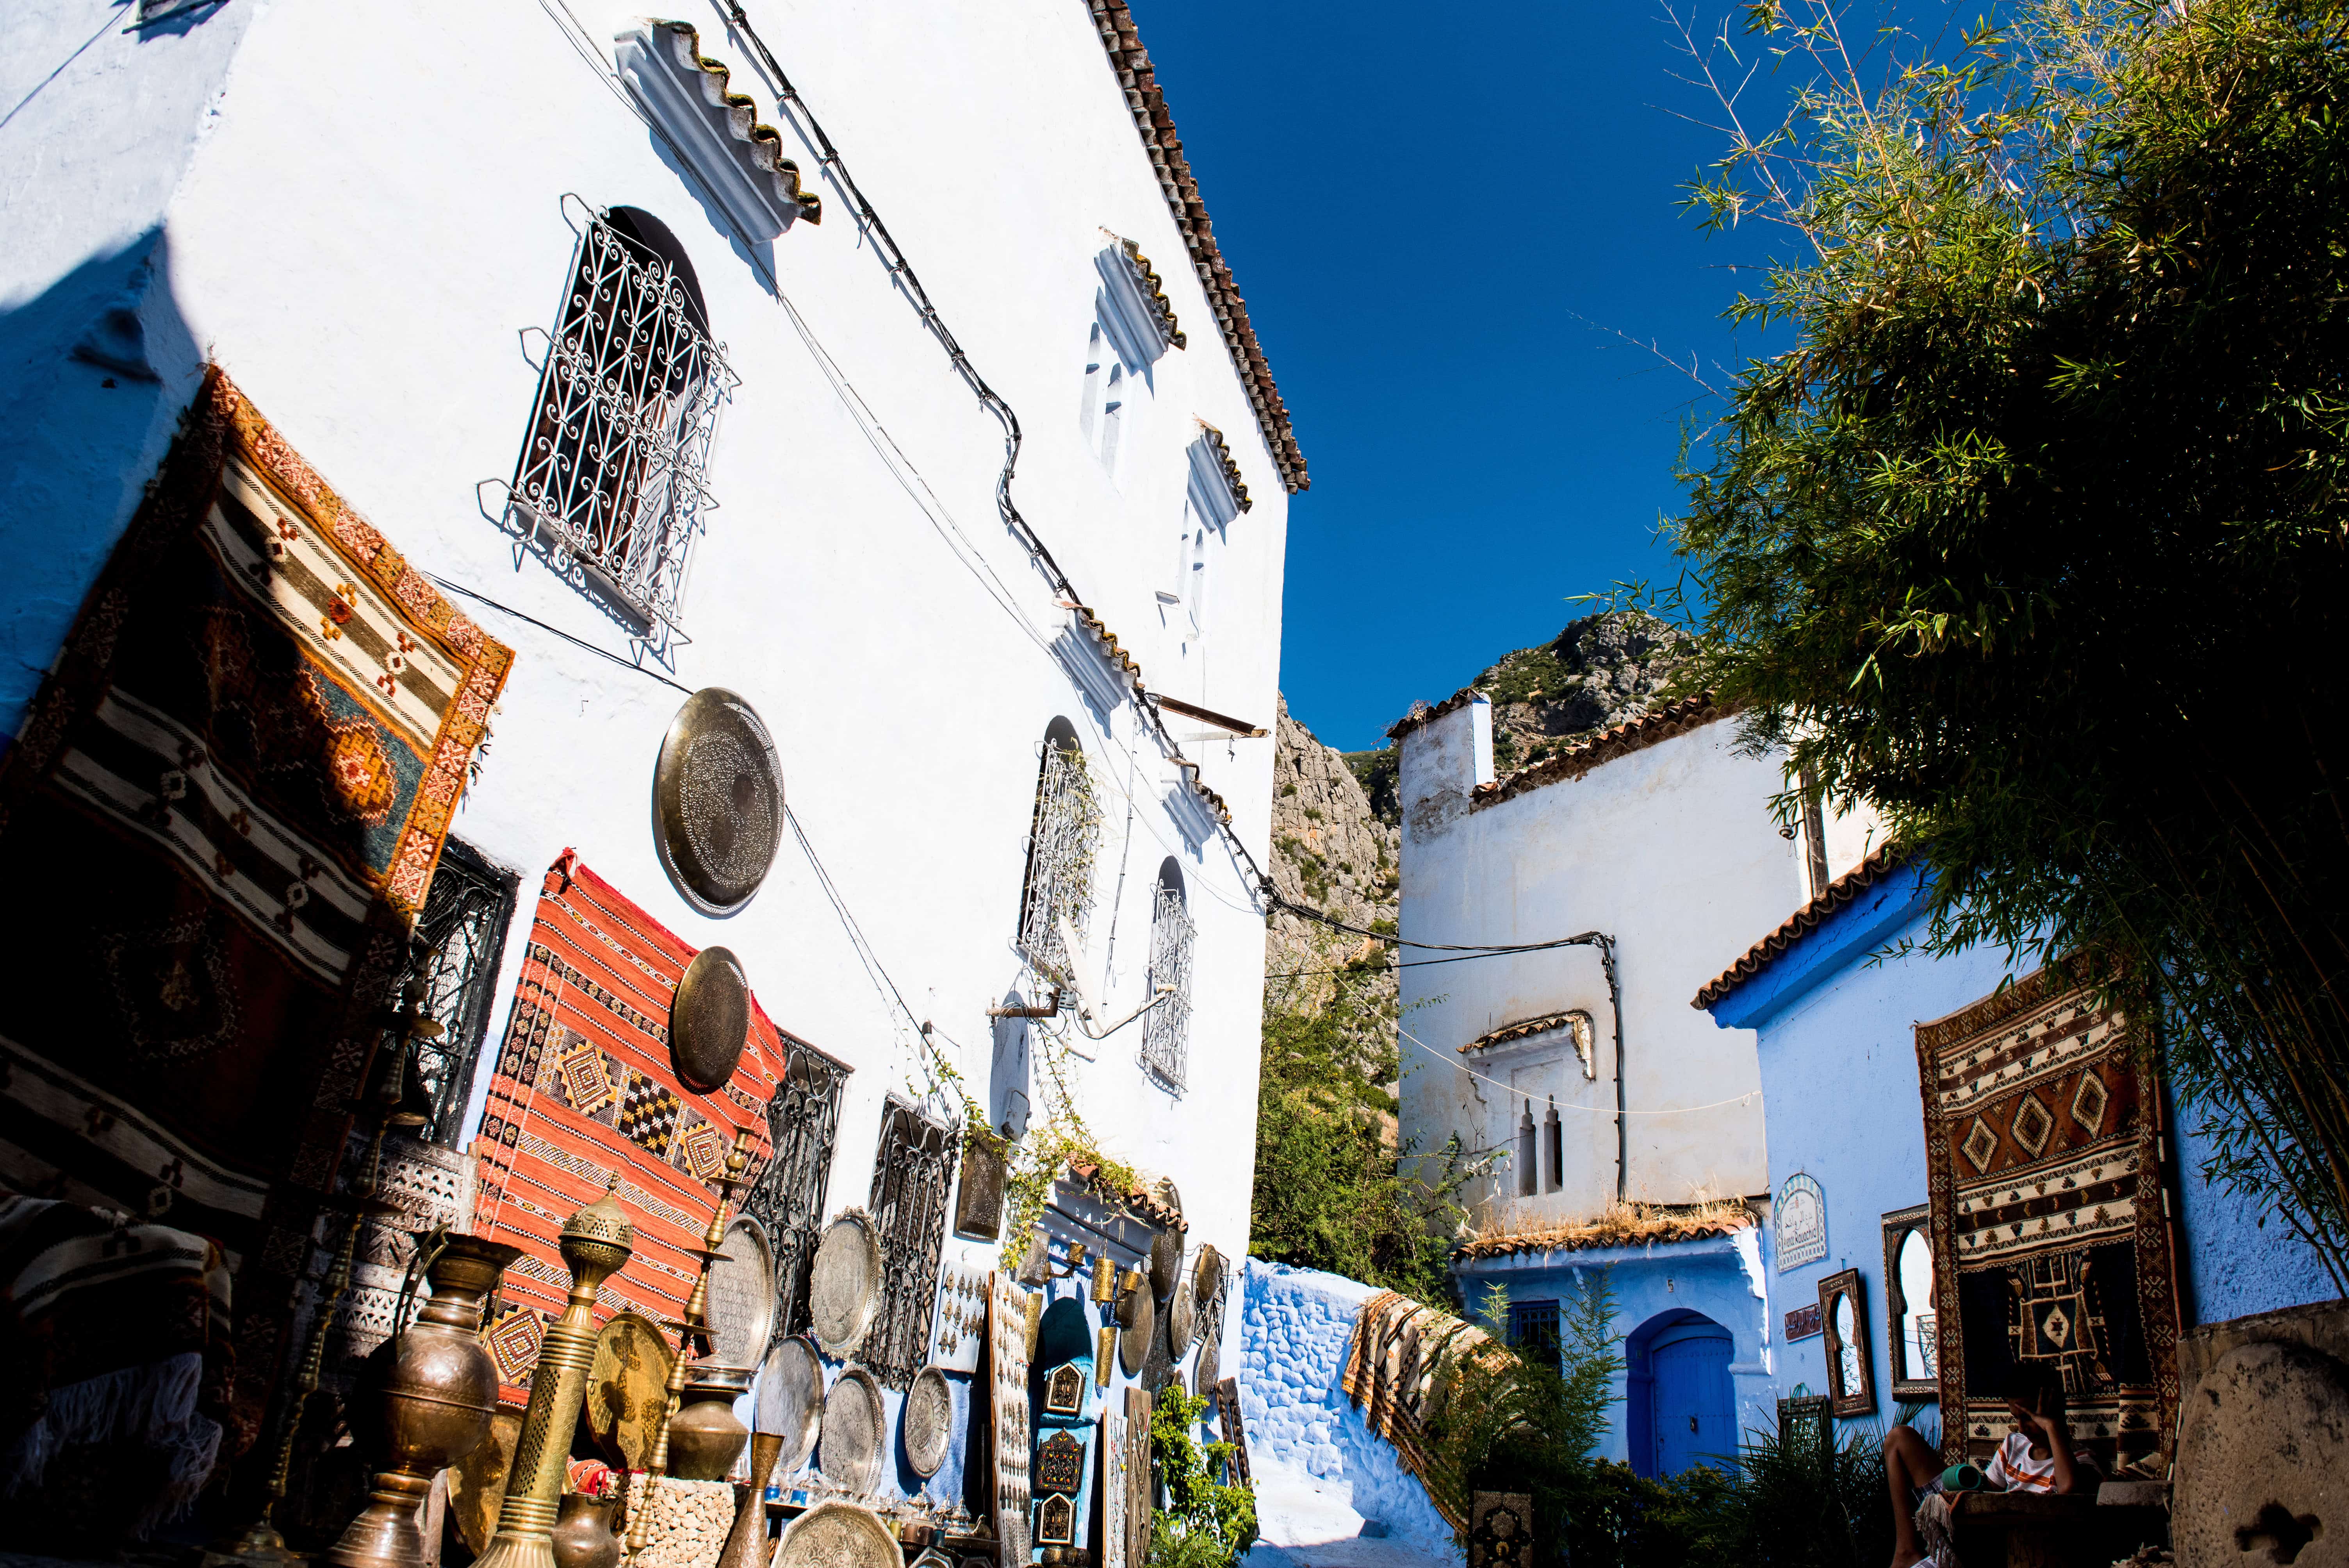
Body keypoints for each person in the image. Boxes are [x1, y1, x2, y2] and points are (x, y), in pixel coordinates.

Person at [1884, 1365, 2094, 1568]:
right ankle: (1907, 1551)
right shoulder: (2014, 1445)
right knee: (1899, 1439)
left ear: (2054, 1410)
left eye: (2030, 1417)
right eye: (2016, 1418)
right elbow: (1987, 1491)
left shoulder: (2080, 1461)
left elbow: (2070, 1492)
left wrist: (2053, 1426)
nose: (2022, 1428)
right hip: (1976, 1537)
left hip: (2006, 1551)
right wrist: (1964, 1482)